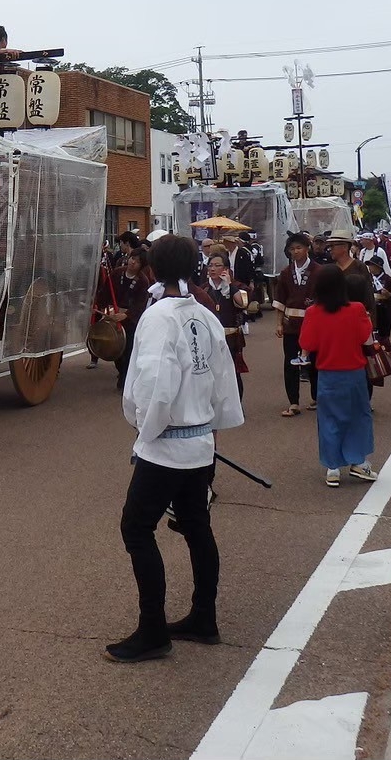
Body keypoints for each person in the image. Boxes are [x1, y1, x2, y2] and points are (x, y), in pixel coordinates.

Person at [108, 233, 245, 663]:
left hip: (166, 443)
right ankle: (204, 617)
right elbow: (223, 377)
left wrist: (144, 428)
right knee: (196, 525)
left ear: (153, 268)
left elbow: (154, 383)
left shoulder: (158, 317)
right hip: (199, 440)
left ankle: (152, 629)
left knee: (136, 528)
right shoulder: (204, 313)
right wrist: (213, 424)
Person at [299, 264, 377, 487]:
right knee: (358, 417)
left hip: (327, 374)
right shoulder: (356, 309)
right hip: (354, 373)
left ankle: (332, 467)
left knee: (329, 419)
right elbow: (365, 338)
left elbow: (307, 343)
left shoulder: (313, 312)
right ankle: (358, 462)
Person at [273, 232, 318, 416]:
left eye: (299, 248)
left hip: (313, 324)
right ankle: (293, 402)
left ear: (307, 249)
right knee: (290, 362)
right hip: (291, 323)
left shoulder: (319, 271)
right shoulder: (286, 272)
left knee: (314, 361)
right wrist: (279, 323)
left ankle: (316, 397)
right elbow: (280, 300)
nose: (295, 252)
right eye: (292, 249)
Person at [202, 252, 249, 399]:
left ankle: (237, 403)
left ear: (226, 269)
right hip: (209, 337)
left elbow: (242, 303)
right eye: (210, 265)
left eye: (217, 265)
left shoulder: (237, 287)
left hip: (231, 337)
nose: (212, 269)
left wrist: (229, 286)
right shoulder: (204, 289)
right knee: (211, 372)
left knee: (233, 372)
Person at [110, 248, 156, 391]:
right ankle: (121, 372)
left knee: (128, 350)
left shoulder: (143, 281)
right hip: (114, 315)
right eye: (132, 258)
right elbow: (106, 292)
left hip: (131, 321)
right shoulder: (117, 273)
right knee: (116, 350)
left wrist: (127, 314)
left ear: (142, 265)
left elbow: (140, 303)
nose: (133, 262)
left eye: (137, 261)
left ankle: (125, 380)